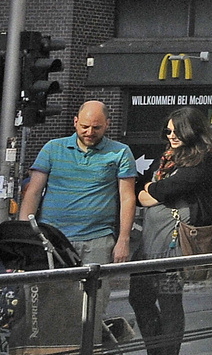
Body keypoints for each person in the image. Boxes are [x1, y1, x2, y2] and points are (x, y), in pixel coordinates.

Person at [18, 101, 136, 336]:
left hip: (97, 241)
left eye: (96, 128)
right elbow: (33, 192)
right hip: (53, 241)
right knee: (48, 307)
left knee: (92, 310)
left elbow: (127, 198)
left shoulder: (120, 152)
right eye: (84, 126)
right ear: (75, 122)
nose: (89, 132)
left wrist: (123, 239)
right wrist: (24, 235)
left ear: (107, 126)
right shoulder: (53, 148)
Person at [130, 106, 212, 355]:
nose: (171, 136)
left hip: (173, 246)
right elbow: (143, 192)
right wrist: (149, 192)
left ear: (191, 130)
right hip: (150, 241)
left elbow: (157, 191)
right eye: (168, 131)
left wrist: (151, 192)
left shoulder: (203, 161)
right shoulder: (168, 158)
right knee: (139, 296)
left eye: (176, 130)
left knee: (169, 302)